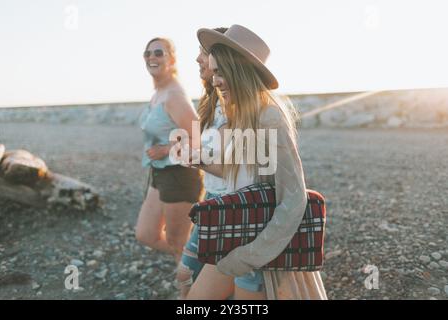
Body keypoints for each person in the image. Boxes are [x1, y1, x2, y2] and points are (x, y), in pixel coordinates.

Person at [186, 25, 328, 300]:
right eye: (214, 72)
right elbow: (238, 176)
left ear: (241, 72)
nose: (215, 81)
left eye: (222, 72)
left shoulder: (269, 117)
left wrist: (249, 256)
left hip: (258, 253)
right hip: (233, 238)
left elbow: (293, 199)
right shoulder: (238, 116)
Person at [136, 37, 204, 263]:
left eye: (158, 53)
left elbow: (199, 135)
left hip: (179, 175)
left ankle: (190, 288)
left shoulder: (174, 96)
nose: (151, 57)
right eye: (147, 54)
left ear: (172, 60)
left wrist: (166, 149)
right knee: (146, 234)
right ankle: (202, 263)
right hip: (160, 173)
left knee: (178, 243)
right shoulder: (158, 93)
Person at [175, 27, 229, 299]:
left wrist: (195, 159)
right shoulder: (212, 102)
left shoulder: (234, 105)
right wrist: (189, 149)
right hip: (211, 198)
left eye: (203, 53)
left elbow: (232, 167)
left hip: (228, 203)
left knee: (188, 276)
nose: (197, 59)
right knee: (189, 276)